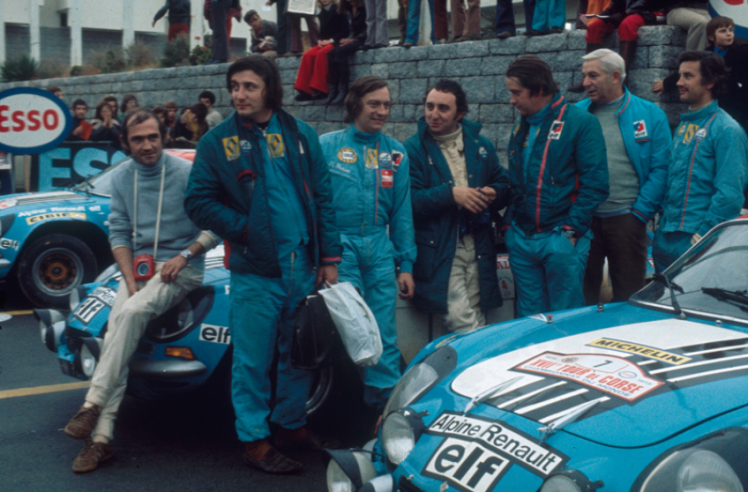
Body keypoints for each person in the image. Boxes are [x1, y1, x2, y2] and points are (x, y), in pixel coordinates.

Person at [184, 56, 342, 474]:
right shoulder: (216, 141)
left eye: (249, 86)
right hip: (255, 271)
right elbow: (197, 202)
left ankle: (291, 427)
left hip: (303, 265)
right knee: (252, 361)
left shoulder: (301, 133)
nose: (239, 94)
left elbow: (323, 199)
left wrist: (329, 258)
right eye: (234, 85)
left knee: (300, 356)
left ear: (269, 89)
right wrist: (247, 228)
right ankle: (255, 440)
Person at [62, 108, 218, 473]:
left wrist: (184, 255)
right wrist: (129, 277)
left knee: (130, 315)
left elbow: (215, 226)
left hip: (182, 270)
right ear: (125, 143)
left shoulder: (187, 173)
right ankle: (100, 441)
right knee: (118, 330)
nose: (147, 145)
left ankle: (93, 403)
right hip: (140, 271)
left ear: (163, 136)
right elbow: (118, 231)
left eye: (152, 137)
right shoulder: (122, 178)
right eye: (138, 140)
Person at [319, 75, 416, 413]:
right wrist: (322, 255)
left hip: (379, 246)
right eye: (374, 103)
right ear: (356, 103)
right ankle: (342, 407)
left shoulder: (396, 152)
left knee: (383, 333)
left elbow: (402, 212)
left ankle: (382, 411)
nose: (382, 111)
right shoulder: (326, 146)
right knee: (353, 329)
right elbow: (316, 206)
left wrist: (406, 264)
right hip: (340, 248)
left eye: (387, 104)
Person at [504, 56, 609, 317]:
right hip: (522, 239)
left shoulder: (582, 122)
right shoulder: (521, 126)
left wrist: (570, 233)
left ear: (539, 89)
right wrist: (510, 228)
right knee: (529, 322)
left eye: (516, 93)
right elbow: (516, 181)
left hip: (560, 238)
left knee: (564, 320)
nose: (512, 100)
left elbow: (595, 184)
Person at [405, 80, 510, 332]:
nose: (434, 115)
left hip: (478, 243)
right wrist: (451, 194)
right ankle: (478, 365)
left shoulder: (480, 144)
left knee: (476, 313)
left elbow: (505, 184)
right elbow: (411, 201)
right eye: (429, 107)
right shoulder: (412, 148)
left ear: (460, 114)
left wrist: (495, 192)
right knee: (459, 320)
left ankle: (476, 368)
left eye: (443, 108)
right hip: (440, 247)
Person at [575, 49, 670, 305]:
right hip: (584, 222)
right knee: (581, 298)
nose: (585, 83)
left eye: (593, 75)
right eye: (584, 76)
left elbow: (661, 168)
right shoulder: (576, 113)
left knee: (630, 297)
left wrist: (639, 213)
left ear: (615, 76)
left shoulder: (650, 114)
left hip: (627, 220)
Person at [652, 51, 748, 272]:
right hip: (665, 237)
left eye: (688, 76)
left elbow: (730, 195)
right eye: (679, 76)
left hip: (696, 241)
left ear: (710, 82)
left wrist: (703, 237)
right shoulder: (684, 126)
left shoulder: (727, 130)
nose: (678, 83)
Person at [653, 17, 748, 132]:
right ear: (711, 37)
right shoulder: (706, 53)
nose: (729, 34)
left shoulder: (742, 52)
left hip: (738, 102)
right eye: (723, 31)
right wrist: (666, 83)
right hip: (716, 101)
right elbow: (691, 71)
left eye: (731, 30)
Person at [569, 0, 660, 92]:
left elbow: (644, 3)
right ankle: (588, 76)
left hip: (643, 12)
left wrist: (624, 13)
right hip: (622, 13)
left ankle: (623, 77)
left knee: (627, 26)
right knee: (595, 27)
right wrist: (608, 12)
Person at [293, 0, 350, 102]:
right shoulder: (322, 13)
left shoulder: (339, 10)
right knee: (308, 55)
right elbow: (322, 32)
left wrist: (331, 41)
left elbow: (346, 31)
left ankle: (321, 89)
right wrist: (319, 40)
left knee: (322, 53)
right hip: (326, 42)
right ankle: (305, 90)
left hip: (337, 42)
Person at [324, 0, 366, 104]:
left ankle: (343, 90)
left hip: (363, 40)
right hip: (353, 38)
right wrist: (347, 39)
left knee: (340, 52)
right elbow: (352, 30)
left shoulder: (364, 7)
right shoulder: (349, 8)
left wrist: (354, 40)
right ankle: (333, 90)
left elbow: (368, 29)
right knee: (330, 53)